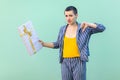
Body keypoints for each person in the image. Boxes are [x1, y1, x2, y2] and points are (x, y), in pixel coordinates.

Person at [39, 6, 105, 80]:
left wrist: (89, 24)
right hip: (65, 62)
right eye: (66, 16)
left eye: (71, 15)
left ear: (76, 15)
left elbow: (102, 28)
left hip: (79, 61)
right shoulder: (62, 29)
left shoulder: (84, 27)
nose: (68, 18)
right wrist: (43, 44)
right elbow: (58, 44)